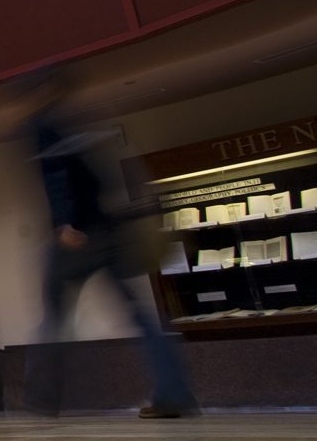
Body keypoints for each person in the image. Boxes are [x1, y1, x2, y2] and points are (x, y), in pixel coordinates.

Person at [24, 93, 199, 419]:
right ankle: (174, 391)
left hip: (76, 236)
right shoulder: (72, 124)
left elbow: (56, 175)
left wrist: (64, 222)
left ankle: (43, 394)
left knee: (55, 317)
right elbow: (100, 179)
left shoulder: (42, 128)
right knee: (140, 316)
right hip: (105, 230)